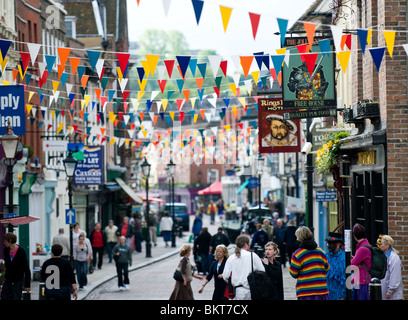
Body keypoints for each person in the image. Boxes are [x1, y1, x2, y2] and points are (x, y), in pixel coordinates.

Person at [289, 226, 330, 300]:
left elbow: (293, 273)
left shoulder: (298, 254)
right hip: (321, 290)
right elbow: (327, 268)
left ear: (300, 238)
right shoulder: (321, 251)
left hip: (306, 291)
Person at [222, 234, 265, 300]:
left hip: (237, 290)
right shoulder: (253, 256)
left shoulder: (231, 258)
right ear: (246, 244)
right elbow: (262, 271)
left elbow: (225, 276)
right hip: (252, 289)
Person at [1, 233, 31, 300]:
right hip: (8, 279)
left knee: (16, 297)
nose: (4, 243)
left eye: (5, 241)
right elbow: (8, 266)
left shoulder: (21, 251)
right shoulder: (6, 250)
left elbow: (26, 268)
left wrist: (27, 285)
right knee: (4, 296)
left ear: (10, 240)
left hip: (18, 280)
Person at [379, 235, 404, 300]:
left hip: (392, 295)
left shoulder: (394, 257)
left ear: (387, 245)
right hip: (385, 292)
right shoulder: (383, 257)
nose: (379, 246)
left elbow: (395, 275)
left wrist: (390, 290)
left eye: (381, 244)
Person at [350, 223, 371, 300]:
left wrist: (354, 261)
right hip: (361, 281)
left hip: (362, 281)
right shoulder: (365, 245)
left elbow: (351, 266)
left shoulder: (362, 249)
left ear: (354, 236)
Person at [325, 232, 346, 300]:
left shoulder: (345, 258)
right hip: (328, 294)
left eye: (332, 243)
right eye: (328, 243)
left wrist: (343, 296)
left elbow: (349, 279)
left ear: (339, 244)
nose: (329, 245)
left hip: (340, 295)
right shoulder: (326, 256)